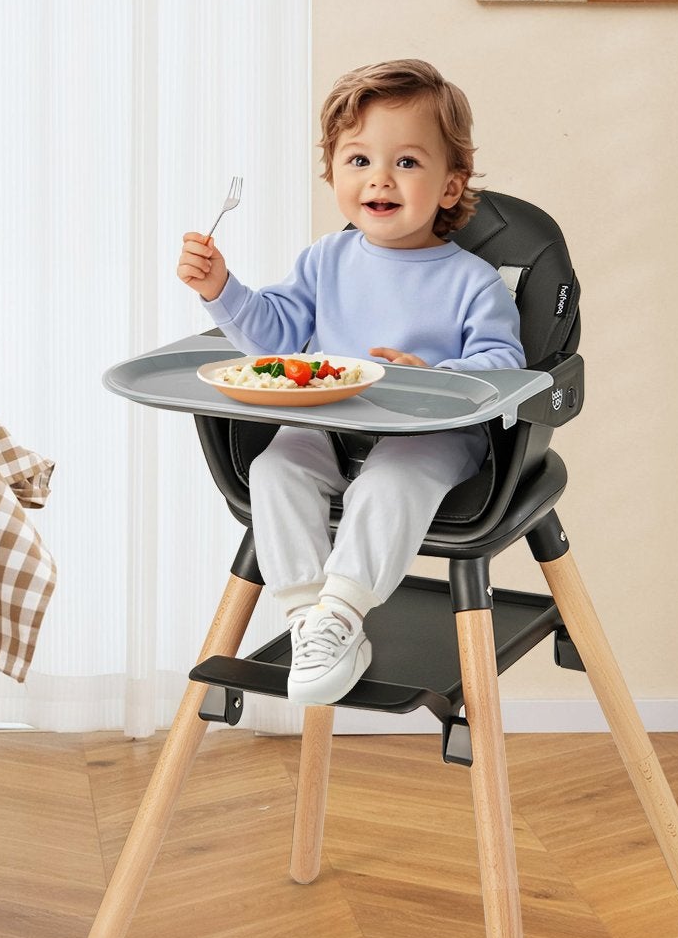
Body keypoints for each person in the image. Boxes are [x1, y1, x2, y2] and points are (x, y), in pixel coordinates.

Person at [176, 59, 524, 707]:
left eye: (407, 162)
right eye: (359, 160)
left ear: (451, 186)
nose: (379, 178)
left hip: (428, 437)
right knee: (276, 467)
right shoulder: (325, 259)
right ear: (333, 174)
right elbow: (274, 339)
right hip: (332, 424)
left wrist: (438, 378)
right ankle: (308, 615)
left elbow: (504, 363)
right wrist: (220, 288)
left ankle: (342, 608)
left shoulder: (473, 281)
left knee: (391, 481)